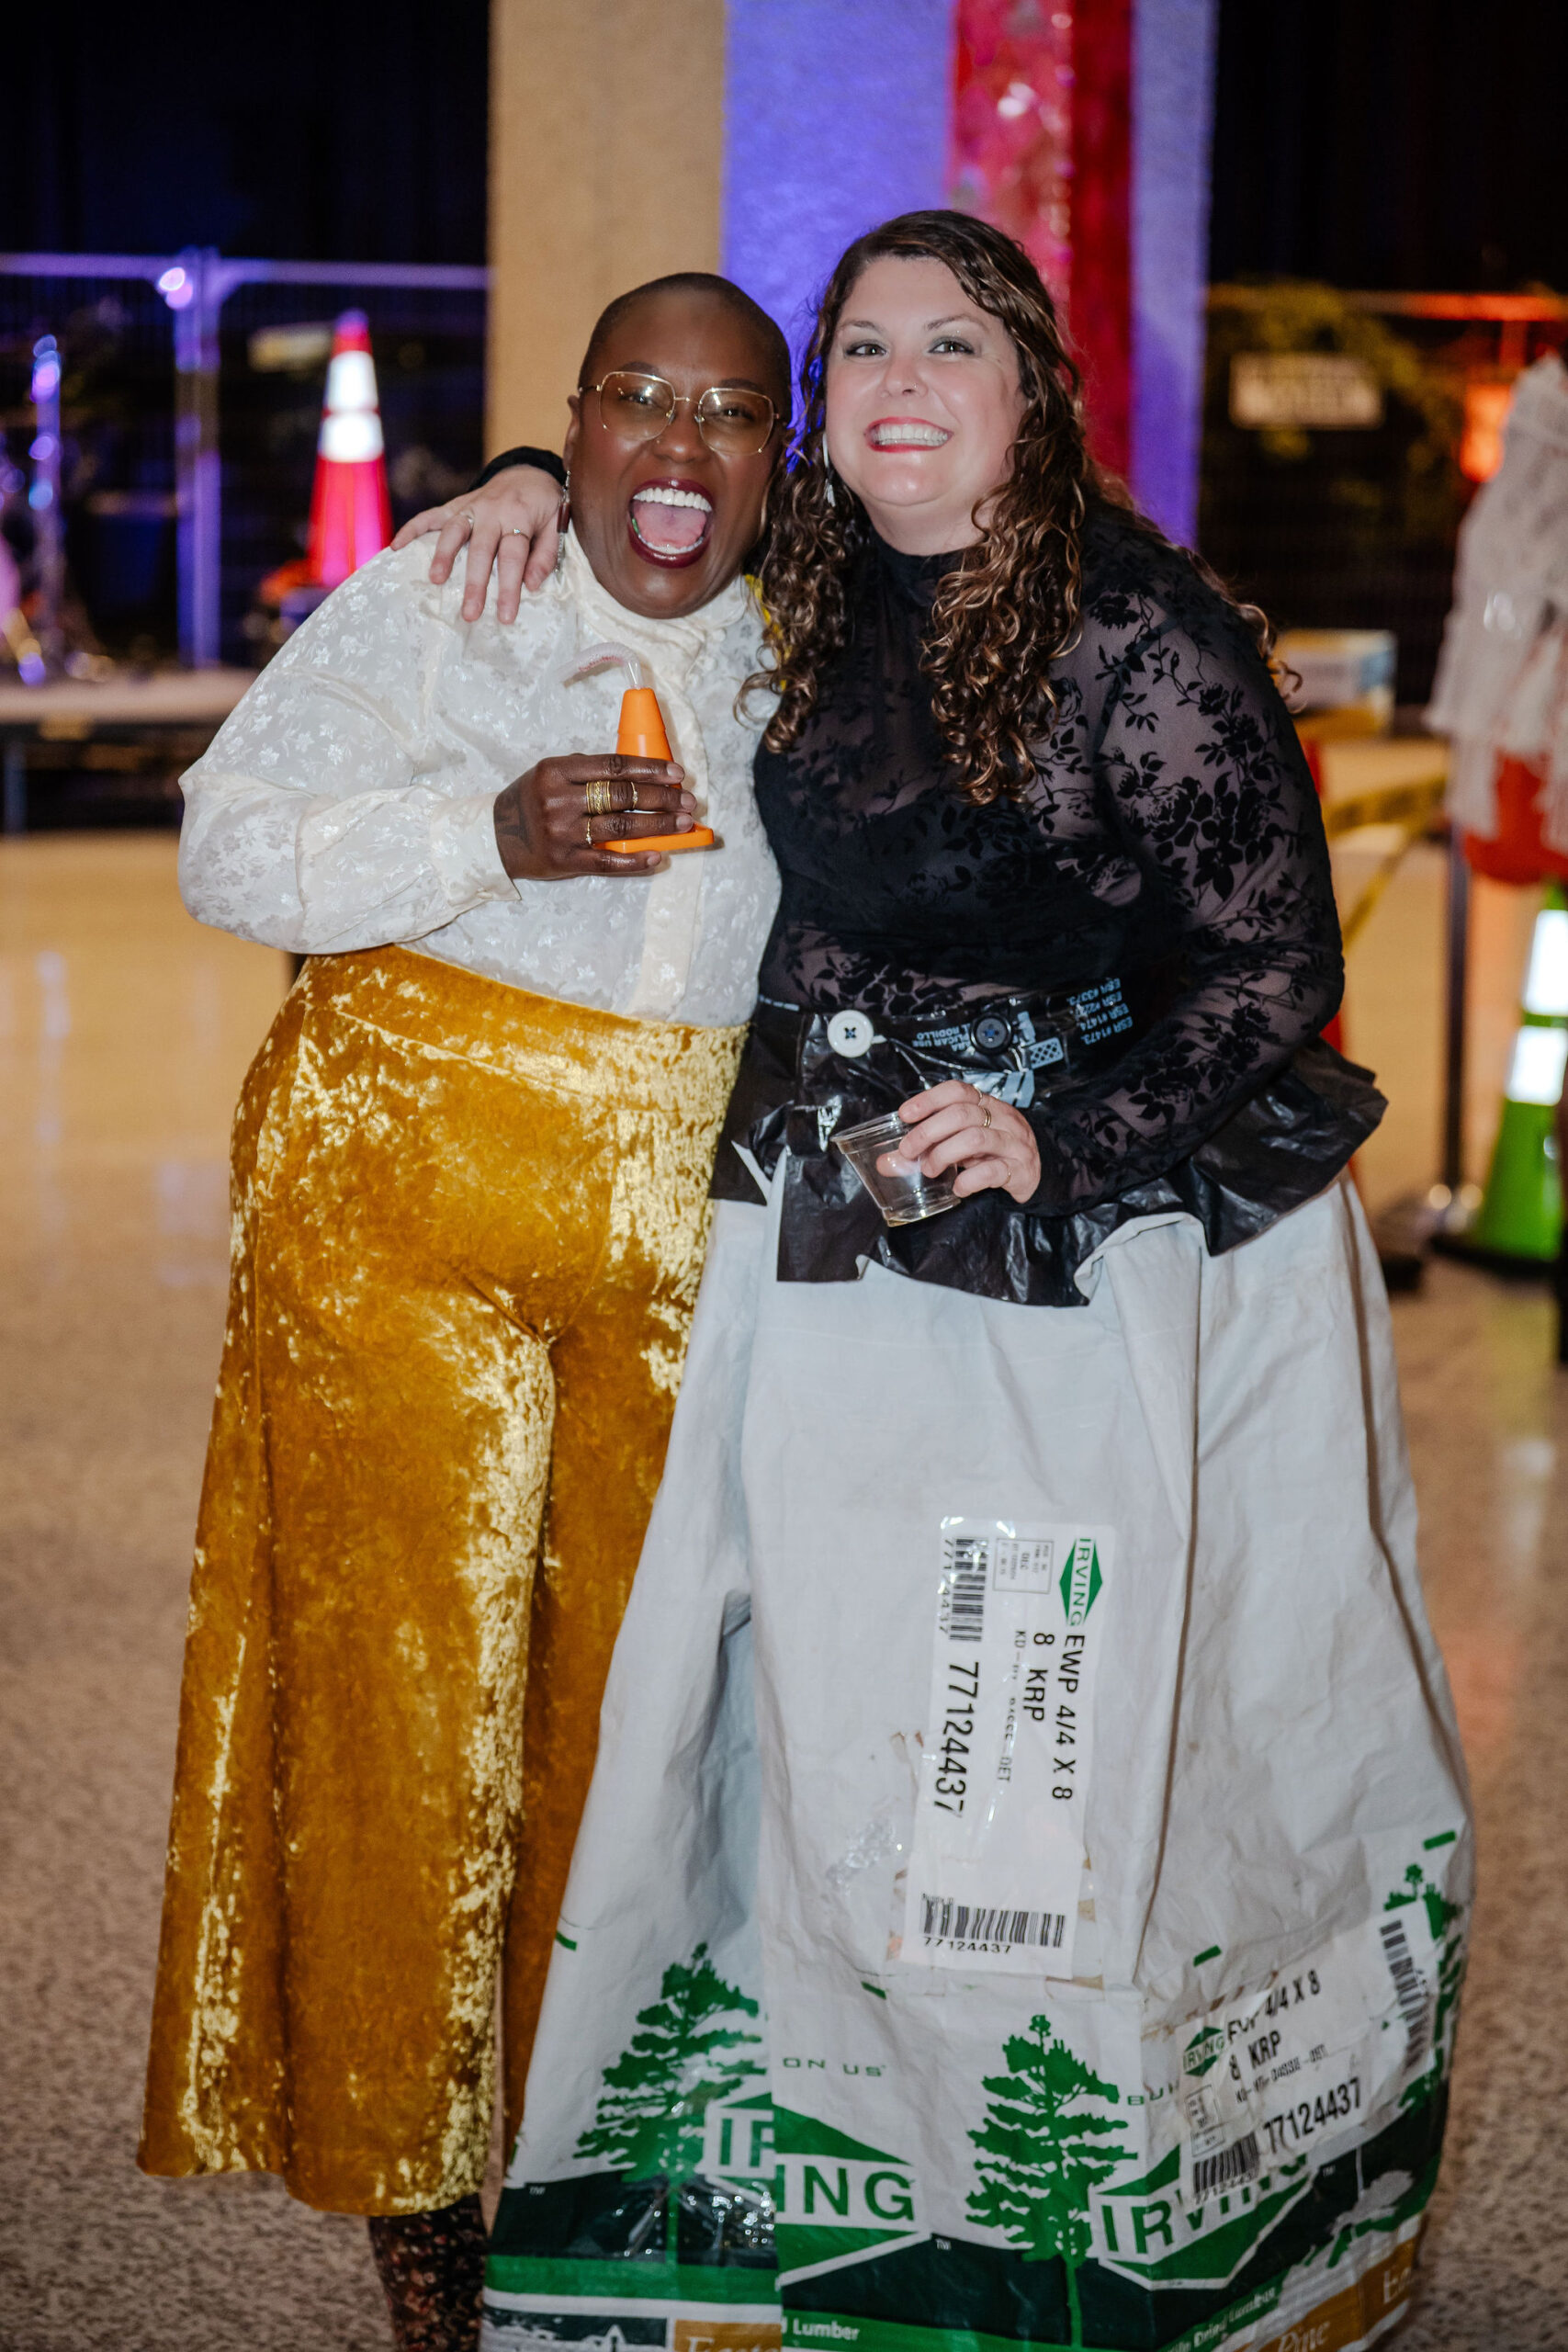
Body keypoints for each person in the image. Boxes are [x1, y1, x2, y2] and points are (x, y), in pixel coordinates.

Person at [433, 212, 1472, 2352]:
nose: (896, 388)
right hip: (836, 1222)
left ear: (1032, 396)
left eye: (951, 347)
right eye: (860, 352)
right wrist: (532, 478)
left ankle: (1076, 2233)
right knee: (828, 1718)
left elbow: (1269, 962)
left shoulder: (1135, 630)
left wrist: (1057, 1131)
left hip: (1099, 1255)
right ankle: (820, 2187)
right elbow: (660, 516)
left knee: (1041, 1750)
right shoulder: (812, 571)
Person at [139, 272, 791, 2352]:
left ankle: (595, 2154)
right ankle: (418, 2197)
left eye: (729, 412)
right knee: (406, 1710)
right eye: (634, 400)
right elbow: (226, 846)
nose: (678, 446)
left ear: (778, 458)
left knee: (637, 1715)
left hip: (681, 1238)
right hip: (400, 1213)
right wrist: (482, 831)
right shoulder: (454, 592)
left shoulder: (816, 642)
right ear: (571, 423)